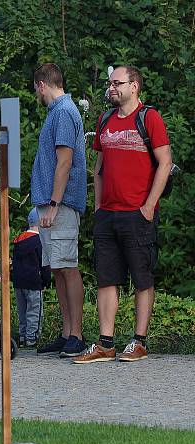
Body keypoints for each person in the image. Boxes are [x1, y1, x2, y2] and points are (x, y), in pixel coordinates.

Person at [73, 65, 172, 364]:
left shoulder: (149, 118)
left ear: (134, 86)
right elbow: (99, 167)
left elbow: (165, 162)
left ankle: (139, 341)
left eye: (117, 83)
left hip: (137, 213)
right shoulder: (105, 119)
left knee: (142, 277)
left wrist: (149, 206)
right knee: (106, 278)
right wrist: (100, 205)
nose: (111, 88)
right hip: (109, 214)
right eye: (110, 83)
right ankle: (105, 343)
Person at [30, 63, 88, 358]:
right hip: (51, 204)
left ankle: (76, 334)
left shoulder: (64, 112)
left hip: (60, 204)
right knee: (57, 268)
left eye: (36, 89)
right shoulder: (57, 113)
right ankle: (66, 332)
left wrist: (53, 203)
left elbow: (65, 161)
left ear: (42, 84)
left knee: (68, 266)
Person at [12, 208, 50, 347]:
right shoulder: (40, 241)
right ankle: (32, 338)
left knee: (22, 311)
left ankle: (22, 336)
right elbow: (44, 264)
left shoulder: (18, 241)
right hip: (34, 282)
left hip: (18, 282)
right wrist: (46, 281)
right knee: (34, 311)